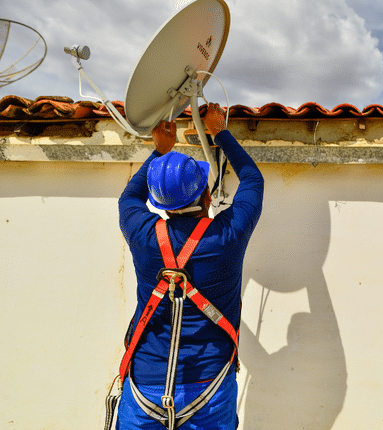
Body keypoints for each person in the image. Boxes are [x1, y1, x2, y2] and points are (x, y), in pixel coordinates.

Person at [115, 103, 264, 429]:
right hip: (209, 388)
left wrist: (159, 152)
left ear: (158, 202)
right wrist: (219, 132)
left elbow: (129, 197)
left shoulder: (142, 234)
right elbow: (252, 179)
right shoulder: (228, 235)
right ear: (207, 196)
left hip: (145, 386)